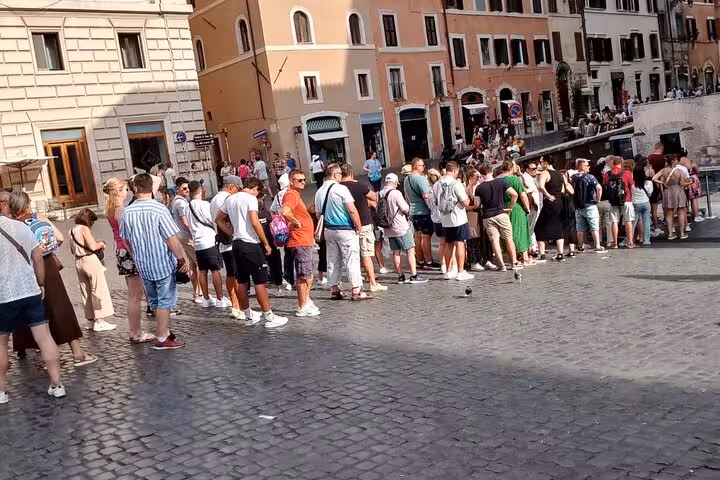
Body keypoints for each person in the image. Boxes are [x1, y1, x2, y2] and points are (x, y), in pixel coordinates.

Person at [9, 191, 97, 366]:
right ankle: (77, 354)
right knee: (60, 307)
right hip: (47, 266)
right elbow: (60, 237)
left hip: (25, 269)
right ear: (27, 204)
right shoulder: (38, 217)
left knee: (31, 311)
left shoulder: (12, 226)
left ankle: (42, 354)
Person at [0, 211, 65, 402]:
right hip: (29, 289)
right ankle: (57, 383)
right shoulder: (21, 226)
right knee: (44, 337)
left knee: (1, 344)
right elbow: (37, 257)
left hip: (3, 295)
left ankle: (1, 391)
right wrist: (41, 282)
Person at [120, 173, 189, 350]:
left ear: (134, 189)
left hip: (143, 264)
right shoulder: (159, 209)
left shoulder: (127, 212)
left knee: (155, 301)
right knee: (165, 300)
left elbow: (126, 240)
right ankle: (161, 335)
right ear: (151, 188)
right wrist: (182, 258)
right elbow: (171, 238)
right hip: (162, 262)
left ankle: (163, 332)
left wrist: (135, 255)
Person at [217, 177, 288, 327]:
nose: (258, 195)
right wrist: (266, 243)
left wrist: (231, 232)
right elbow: (255, 222)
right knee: (259, 281)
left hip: (236, 243)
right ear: (255, 188)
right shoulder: (250, 199)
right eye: (258, 192)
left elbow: (218, 219)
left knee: (242, 281)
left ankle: (248, 315)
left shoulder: (230, 199)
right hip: (251, 243)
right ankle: (269, 316)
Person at [104, 178, 156, 343]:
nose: (127, 192)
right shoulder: (120, 210)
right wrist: (136, 255)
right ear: (119, 191)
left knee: (134, 294)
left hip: (120, 251)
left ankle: (136, 331)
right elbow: (127, 237)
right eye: (125, 189)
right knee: (135, 295)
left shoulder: (109, 210)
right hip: (128, 252)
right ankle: (136, 332)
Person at [314, 164, 371, 300]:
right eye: (339, 173)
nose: (341, 176)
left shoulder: (319, 191)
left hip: (329, 230)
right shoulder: (341, 189)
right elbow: (351, 209)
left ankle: (334, 289)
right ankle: (357, 290)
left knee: (333, 260)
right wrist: (358, 226)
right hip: (345, 229)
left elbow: (317, 214)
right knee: (352, 259)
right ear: (334, 175)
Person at [340, 164, 387, 293]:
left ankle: (357, 282)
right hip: (364, 223)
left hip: (346, 225)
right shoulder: (359, 186)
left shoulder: (338, 188)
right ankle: (372, 283)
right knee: (366, 254)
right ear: (351, 173)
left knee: (352, 256)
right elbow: (374, 197)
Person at [69, 208, 116, 332]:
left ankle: (90, 320)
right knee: (98, 289)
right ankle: (99, 321)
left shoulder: (72, 231)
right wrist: (101, 244)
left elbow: (72, 250)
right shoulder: (84, 229)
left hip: (78, 261)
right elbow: (93, 246)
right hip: (90, 261)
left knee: (86, 291)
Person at [282, 169, 320, 316]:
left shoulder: (296, 195)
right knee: (303, 275)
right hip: (299, 240)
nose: (303, 182)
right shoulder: (291, 194)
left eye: (304, 179)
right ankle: (302, 305)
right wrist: (297, 222)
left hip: (304, 240)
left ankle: (307, 300)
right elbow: (285, 211)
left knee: (308, 273)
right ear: (291, 181)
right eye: (299, 180)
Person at [378, 173, 428, 284]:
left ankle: (400, 276)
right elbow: (405, 208)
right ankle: (414, 275)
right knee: (410, 250)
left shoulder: (380, 193)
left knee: (396, 252)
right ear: (395, 182)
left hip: (388, 227)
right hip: (400, 226)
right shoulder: (396, 193)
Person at [187, 180, 229, 308]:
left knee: (203, 270)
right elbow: (212, 219)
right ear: (200, 190)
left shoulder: (187, 206)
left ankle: (205, 298)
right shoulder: (204, 204)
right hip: (209, 240)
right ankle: (220, 299)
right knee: (215, 270)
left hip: (198, 242)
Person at [432, 161, 474, 281]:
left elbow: (435, 202)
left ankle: (449, 270)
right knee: (460, 243)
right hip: (458, 218)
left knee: (448, 244)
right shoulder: (456, 184)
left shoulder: (437, 184)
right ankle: (460, 271)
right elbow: (465, 202)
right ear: (455, 170)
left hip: (444, 219)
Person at [210, 176, 244, 320]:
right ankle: (242, 308)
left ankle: (235, 306)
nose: (238, 192)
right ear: (231, 187)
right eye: (238, 189)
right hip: (231, 240)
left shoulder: (213, 200)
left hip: (223, 241)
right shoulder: (227, 199)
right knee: (237, 275)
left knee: (230, 274)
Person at [474, 170, 519, 271]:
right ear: (491, 171)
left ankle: (501, 265)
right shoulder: (501, 182)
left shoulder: (479, 187)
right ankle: (514, 263)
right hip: (501, 213)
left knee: (495, 241)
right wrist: (510, 208)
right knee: (508, 238)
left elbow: (477, 204)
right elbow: (515, 194)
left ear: (482, 174)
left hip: (487, 216)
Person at [169, 177, 201, 300]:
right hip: (187, 236)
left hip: (181, 236)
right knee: (200, 263)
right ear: (178, 188)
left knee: (192, 264)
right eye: (184, 188)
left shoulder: (176, 201)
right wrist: (194, 233)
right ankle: (201, 294)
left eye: (188, 188)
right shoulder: (181, 203)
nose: (187, 190)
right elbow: (185, 221)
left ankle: (197, 292)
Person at [404, 158, 438, 270]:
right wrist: (432, 209)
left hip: (413, 211)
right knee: (426, 237)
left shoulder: (406, 179)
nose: (424, 167)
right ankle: (428, 262)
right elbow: (426, 196)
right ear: (416, 166)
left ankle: (420, 260)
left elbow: (407, 197)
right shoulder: (421, 179)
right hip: (423, 211)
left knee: (417, 237)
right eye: (422, 165)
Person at [497, 161, 532, 266]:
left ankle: (511, 257)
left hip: (502, 207)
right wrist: (527, 208)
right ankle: (525, 258)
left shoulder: (496, 180)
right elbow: (522, 195)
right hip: (516, 207)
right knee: (520, 231)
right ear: (512, 168)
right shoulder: (514, 179)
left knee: (506, 233)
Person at [535, 156, 567, 261]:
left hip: (550, 203)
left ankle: (542, 254)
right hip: (559, 202)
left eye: (541, 162)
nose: (540, 164)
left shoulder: (545, 173)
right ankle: (560, 254)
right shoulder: (560, 174)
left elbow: (540, 186)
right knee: (558, 227)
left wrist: (548, 195)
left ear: (546, 162)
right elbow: (562, 190)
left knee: (539, 227)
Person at [571, 159, 605, 252]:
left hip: (578, 206)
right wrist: (597, 200)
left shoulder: (572, 177)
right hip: (590, 205)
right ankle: (597, 245)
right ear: (581, 166)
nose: (589, 167)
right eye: (587, 165)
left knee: (580, 227)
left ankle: (581, 246)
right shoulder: (590, 177)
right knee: (594, 226)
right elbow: (599, 188)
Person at [653, 155, 691, 240]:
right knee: (681, 212)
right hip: (678, 191)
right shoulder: (679, 171)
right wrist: (690, 182)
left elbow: (654, 178)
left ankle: (670, 234)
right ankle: (681, 233)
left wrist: (662, 183)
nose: (677, 161)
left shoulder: (664, 170)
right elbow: (682, 183)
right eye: (676, 159)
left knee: (669, 214)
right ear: (674, 161)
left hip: (668, 191)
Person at [603, 156, 635, 248]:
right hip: (626, 199)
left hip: (613, 201)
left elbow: (605, 185)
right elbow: (632, 187)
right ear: (622, 162)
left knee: (614, 222)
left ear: (613, 163)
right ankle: (630, 242)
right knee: (628, 221)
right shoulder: (627, 173)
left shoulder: (607, 174)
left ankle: (615, 243)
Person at [631, 158, 654, 246]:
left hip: (635, 203)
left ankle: (629, 238)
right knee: (646, 221)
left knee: (633, 222)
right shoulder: (647, 182)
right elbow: (650, 192)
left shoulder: (632, 183)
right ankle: (647, 240)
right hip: (645, 202)